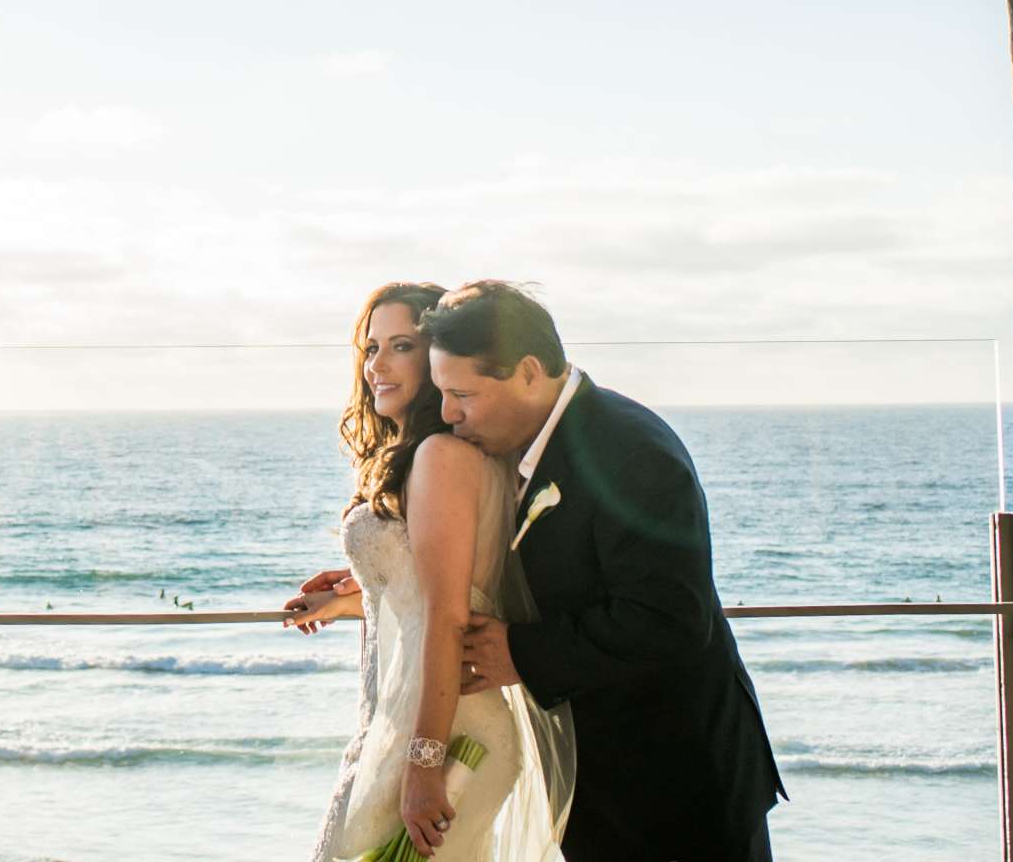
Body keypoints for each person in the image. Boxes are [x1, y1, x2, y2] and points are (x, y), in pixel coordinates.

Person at [430, 281, 784, 862]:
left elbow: (671, 617)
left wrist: (523, 654)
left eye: (462, 393)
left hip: (675, 789)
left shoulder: (628, 450)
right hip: (605, 788)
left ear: (526, 371)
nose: (448, 415)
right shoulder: (522, 445)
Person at [286, 282, 573, 861]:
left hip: (441, 731)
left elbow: (448, 615)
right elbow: (434, 588)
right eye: (371, 349)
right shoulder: (450, 450)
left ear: (437, 357)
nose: (378, 365)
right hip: (411, 715)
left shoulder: (441, 455)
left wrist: (423, 765)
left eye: (401, 346)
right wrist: (357, 593)